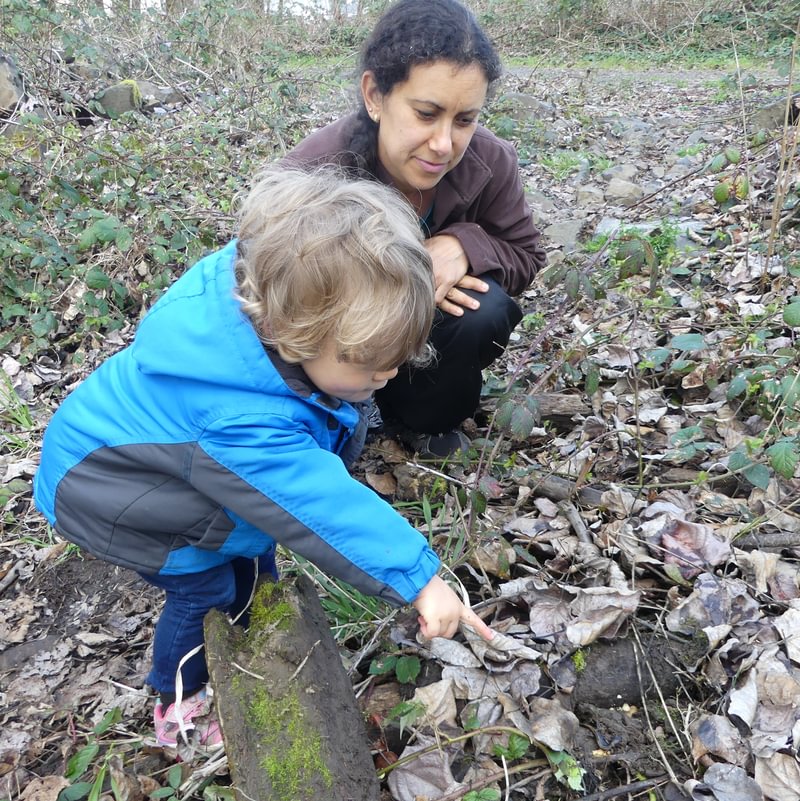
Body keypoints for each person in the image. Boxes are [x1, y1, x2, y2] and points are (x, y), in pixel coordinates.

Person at [33, 167, 494, 750]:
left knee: (251, 562)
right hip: (112, 494)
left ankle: (256, 636)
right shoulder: (239, 416)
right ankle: (178, 704)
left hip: (165, 469)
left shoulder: (276, 299)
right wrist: (418, 578)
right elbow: (316, 502)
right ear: (294, 331)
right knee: (204, 592)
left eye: (397, 357)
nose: (388, 374)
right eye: (368, 362)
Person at [285, 0, 547, 459]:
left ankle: (422, 418)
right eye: (426, 113)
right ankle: (333, 413)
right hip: (333, 347)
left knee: (485, 308)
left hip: (426, 342)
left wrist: (464, 244)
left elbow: (527, 254)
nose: (444, 144)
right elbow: (266, 295)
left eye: (464, 120)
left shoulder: (490, 160)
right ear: (375, 96)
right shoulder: (313, 172)